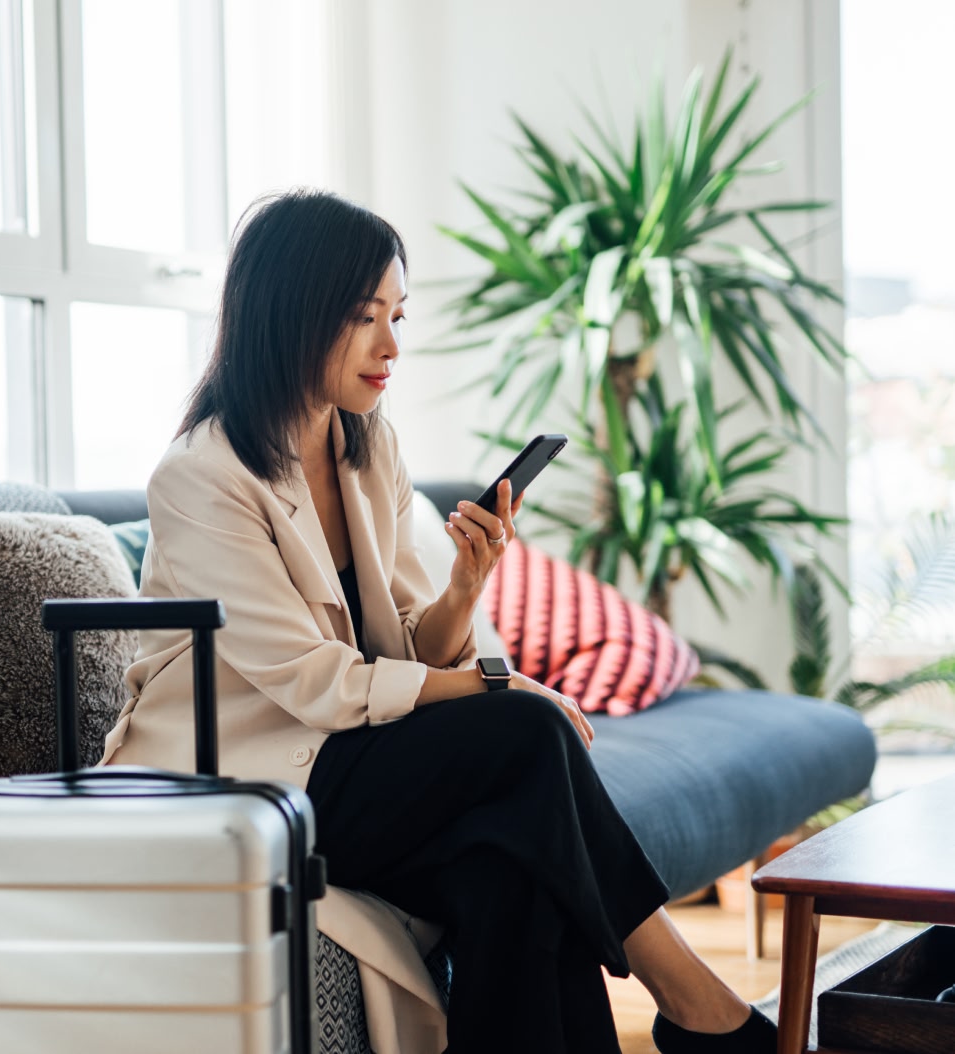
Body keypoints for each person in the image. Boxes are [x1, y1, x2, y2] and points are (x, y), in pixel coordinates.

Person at [100, 187, 778, 1054]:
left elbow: (402, 648)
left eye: (398, 315)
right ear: (293, 313)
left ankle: (698, 1014)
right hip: (248, 778)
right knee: (528, 732)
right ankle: (695, 1002)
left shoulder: (366, 443)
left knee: (509, 867)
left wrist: (465, 588)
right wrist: (495, 680)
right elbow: (313, 679)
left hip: (346, 756)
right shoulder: (200, 477)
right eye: (363, 316)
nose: (390, 346)